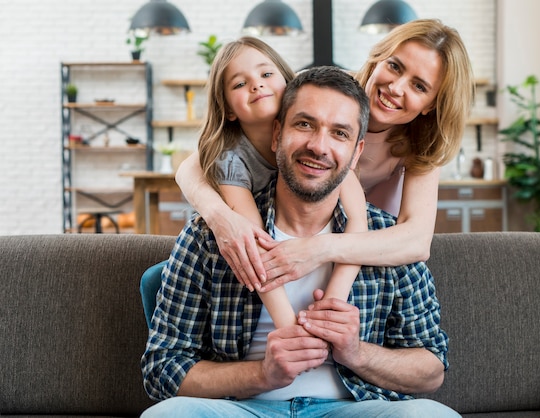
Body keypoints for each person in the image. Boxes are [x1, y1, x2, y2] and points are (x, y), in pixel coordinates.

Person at [141, 66, 459, 417]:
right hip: (243, 409)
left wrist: (356, 352)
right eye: (304, 124)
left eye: (339, 133)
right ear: (277, 133)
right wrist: (262, 374)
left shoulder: (385, 240)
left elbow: (432, 369)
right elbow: (162, 369)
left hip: (355, 409)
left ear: (356, 153)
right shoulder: (214, 236)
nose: (318, 146)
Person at [174, 19, 474, 292]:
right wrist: (220, 216)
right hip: (287, 235)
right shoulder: (324, 89)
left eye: (419, 86)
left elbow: (417, 241)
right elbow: (196, 165)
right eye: (394, 66)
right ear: (377, 57)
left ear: (432, 105)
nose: (395, 87)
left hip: (364, 254)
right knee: (163, 277)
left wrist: (318, 249)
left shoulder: (423, 142)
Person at [144, 36, 367, 328]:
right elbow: (253, 242)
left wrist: (334, 299)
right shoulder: (231, 160)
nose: (256, 85)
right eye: (239, 84)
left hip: (308, 244)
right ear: (228, 109)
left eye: (266, 74)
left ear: (287, 82)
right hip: (253, 257)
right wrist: (289, 327)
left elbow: (358, 223)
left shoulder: (320, 149)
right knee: (157, 279)